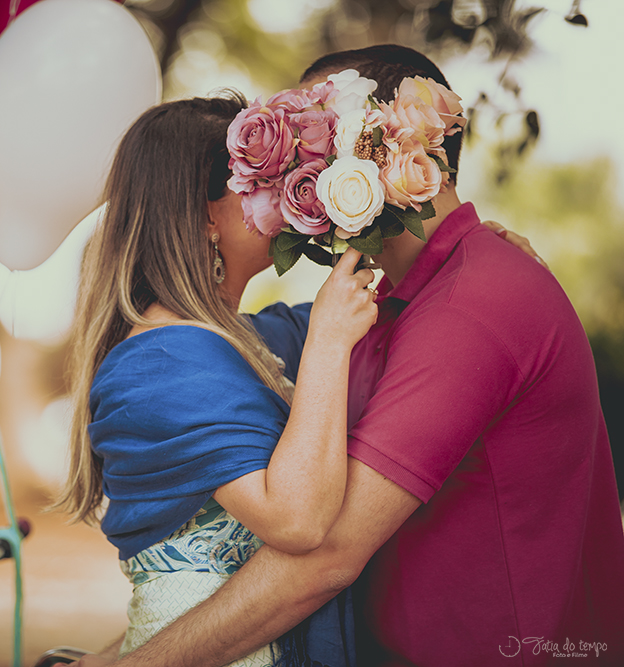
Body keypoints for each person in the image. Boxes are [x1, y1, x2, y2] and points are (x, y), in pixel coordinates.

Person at [62, 45, 624, 667]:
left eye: (312, 140)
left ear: (387, 148)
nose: (287, 169)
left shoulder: (471, 304)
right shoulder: (341, 321)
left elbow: (320, 558)